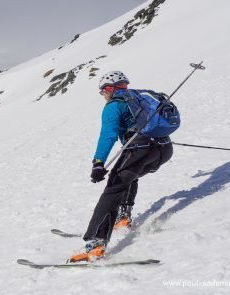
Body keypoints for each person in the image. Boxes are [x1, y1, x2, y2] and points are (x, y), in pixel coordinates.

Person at [69, 71, 173, 263]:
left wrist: (98, 163)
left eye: (102, 91)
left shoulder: (114, 105)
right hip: (164, 149)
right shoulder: (140, 97)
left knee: (113, 188)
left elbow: (108, 134)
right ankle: (123, 216)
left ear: (109, 89)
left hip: (139, 150)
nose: (103, 95)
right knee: (127, 178)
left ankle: (95, 244)